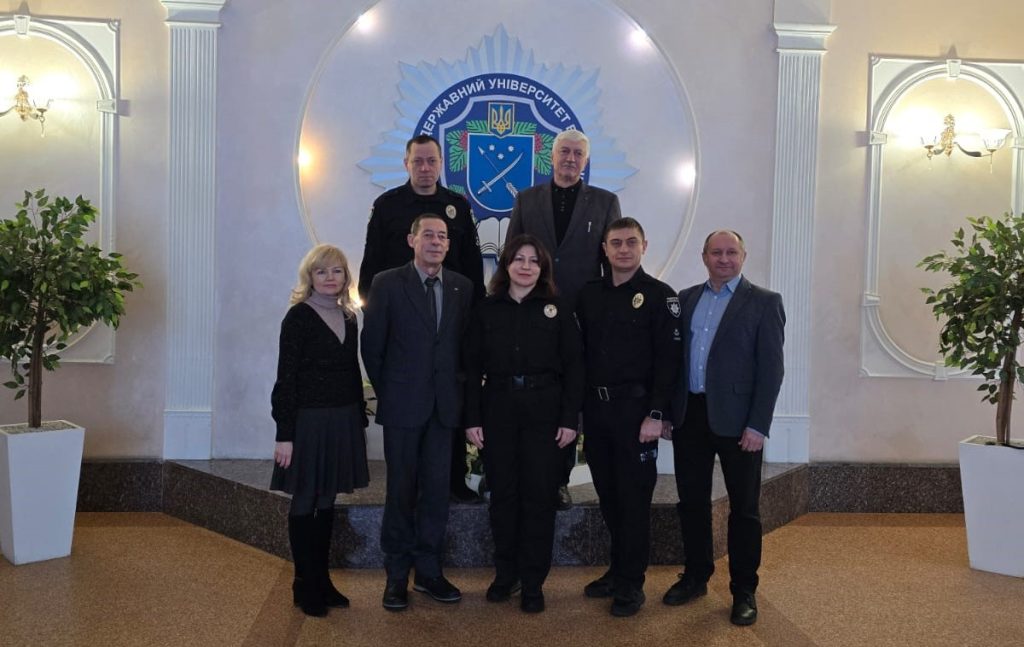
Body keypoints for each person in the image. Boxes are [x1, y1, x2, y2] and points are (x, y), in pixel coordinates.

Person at [662, 229, 785, 627]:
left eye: (732, 252)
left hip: (739, 422)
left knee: (744, 509)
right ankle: (696, 575)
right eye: (716, 252)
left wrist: (758, 425)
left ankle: (744, 589)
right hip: (691, 417)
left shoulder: (765, 302)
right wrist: (668, 413)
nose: (724, 259)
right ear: (704, 257)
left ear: (743, 256)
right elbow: (673, 362)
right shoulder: (685, 299)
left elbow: (772, 370)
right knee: (692, 502)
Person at [359, 134, 485, 504]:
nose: (425, 168)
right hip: (402, 321)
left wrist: (475, 320)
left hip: (450, 318)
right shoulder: (387, 206)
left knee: (449, 402)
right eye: (418, 161)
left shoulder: (457, 206)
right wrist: (376, 313)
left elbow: (472, 267)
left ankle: (455, 481)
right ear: (406, 164)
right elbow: (370, 265)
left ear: (441, 164)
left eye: (432, 161)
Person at [463, 234, 584, 613]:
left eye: (534, 260)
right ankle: (506, 574)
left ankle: (533, 581)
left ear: (542, 267)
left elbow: (575, 368)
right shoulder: (486, 309)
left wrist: (570, 419)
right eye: (519, 259)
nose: (526, 266)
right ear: (507, 265)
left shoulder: (558, 309)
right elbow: (470, 369)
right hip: (498, 408)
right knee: (503, 496)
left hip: (545, 411)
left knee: (538, 497)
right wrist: (472, 418)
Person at [361, 214, 474, 611]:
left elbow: (464, 348)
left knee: (437, 493)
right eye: (428, 235)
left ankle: (428, 572)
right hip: (402, 408)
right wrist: (392, 393)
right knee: (401, 492)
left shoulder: (462, 287)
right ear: (412, 240)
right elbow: (372, 347)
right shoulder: (387, 283)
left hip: (444, 410)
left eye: (442, 236)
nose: (436, 242)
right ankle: (396, 576)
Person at [504, 129, 622, 509]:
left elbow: (611, 263)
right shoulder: (527, 199)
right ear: (551, 157)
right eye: (565, 152)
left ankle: (560, 479)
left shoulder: (605, 202)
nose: (571, 159)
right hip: (531, 312)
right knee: (535, 394)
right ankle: (520, 470)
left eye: (578, 154)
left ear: (586, 161)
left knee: (571, 395)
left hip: (581, 317)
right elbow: (510, 254)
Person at [574, 218, 681, 617]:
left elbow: (669, 361)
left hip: (638, 415)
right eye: (616, 243)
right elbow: (579, 355)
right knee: (608, 497)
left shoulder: (660, 296)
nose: (623, 249)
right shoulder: (588, 295)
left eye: (630, 242)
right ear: (604, 248)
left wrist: (656, 414)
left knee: (634, 503)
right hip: (597, 412)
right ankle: (617, 570)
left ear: (644, 246)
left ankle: (631, 585)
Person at [270, 243, 370, 617]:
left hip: (342, 419)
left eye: (337, 270)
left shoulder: (349, 317)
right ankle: (304, 582)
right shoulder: (297, 317)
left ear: (346, 277)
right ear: (309, 277)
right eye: (321, 271)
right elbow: (286, 378)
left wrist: (358, 420)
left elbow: (351, 371)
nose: (330, 277)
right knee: (305, 500)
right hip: (308, 422)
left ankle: (322, 580)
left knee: (327, 500)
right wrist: (285, 434)